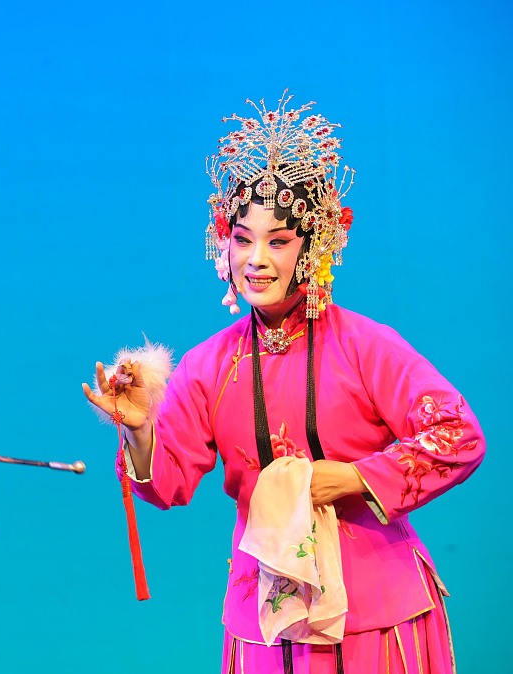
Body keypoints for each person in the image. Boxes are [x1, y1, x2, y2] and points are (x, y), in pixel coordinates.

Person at [83, 94, 485, 673]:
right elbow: (166, 486)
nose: (256, 259)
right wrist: (140, 429)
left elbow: (458, 434)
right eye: (243, 239)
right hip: (265, 618)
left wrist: (353, 478)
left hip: (378, 612)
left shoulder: (364, 344)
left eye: (278, 241)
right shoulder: (208, 365)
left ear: (313, 248)